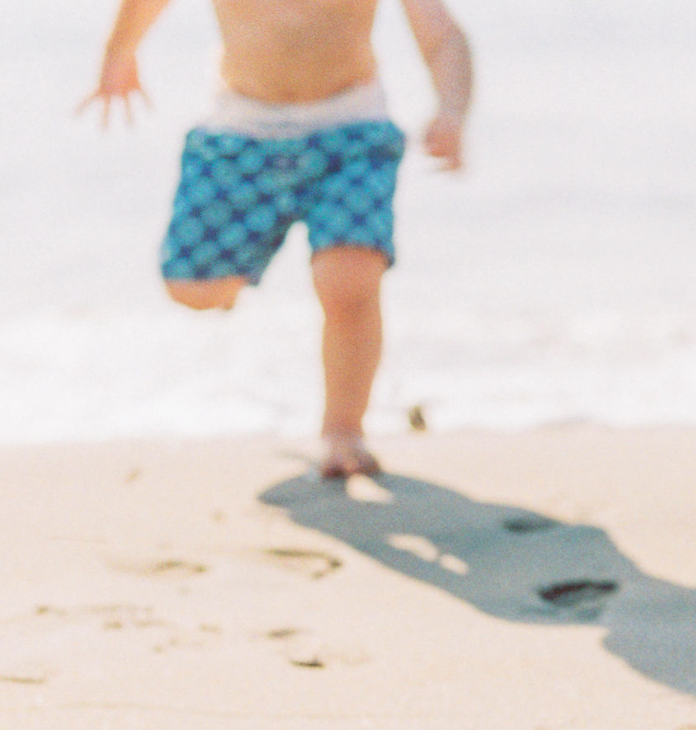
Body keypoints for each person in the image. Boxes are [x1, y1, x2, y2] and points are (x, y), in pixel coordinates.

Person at [83, 0, 473, 477]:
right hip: (241, 129)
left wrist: (451, 110)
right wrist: (119, 51)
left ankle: (343, 431)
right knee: (194, 290)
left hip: (350, 131)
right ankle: (232, 277)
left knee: (348, 284)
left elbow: (441, 36)